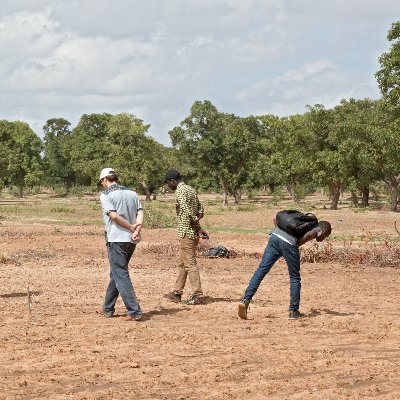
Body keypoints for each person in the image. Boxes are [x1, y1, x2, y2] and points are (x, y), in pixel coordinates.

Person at [238, 216, 331, 320]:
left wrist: (281, 238)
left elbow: (275, 219)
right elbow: (299, 241)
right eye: (326, 236)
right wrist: (287, 248)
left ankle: (245, 300)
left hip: (275, 235)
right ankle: (293, 311)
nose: (323, 239)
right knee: (295, 277)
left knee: (262, 269)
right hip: (288, 243)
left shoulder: (303, 222)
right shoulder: (316, 230)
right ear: (325, 230)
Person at [98, 167, 144, 321]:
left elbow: (114, 216)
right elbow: (140, 211)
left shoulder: (105, 195)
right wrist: (137, 228)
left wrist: (131, 227)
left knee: (120, 274)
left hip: (116, 238)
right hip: (132, 239)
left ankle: (134, 310)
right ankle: (107, 308)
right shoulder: (132, 193)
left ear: (105, 179)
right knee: (116, 273)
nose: (102, 185)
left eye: (101, 182)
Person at [163, 170, 209, 305]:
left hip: (187, 233)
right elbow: (201, 209)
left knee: (190, 263)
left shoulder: (180, 191)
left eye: (167, 183)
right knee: (184, 263)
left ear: (172, 180)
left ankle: (198, 295)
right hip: (192, 233)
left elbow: (187, 211)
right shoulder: (190, 189)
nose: (168, 186)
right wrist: (198, 226)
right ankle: (177, 293)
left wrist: (197, 227)